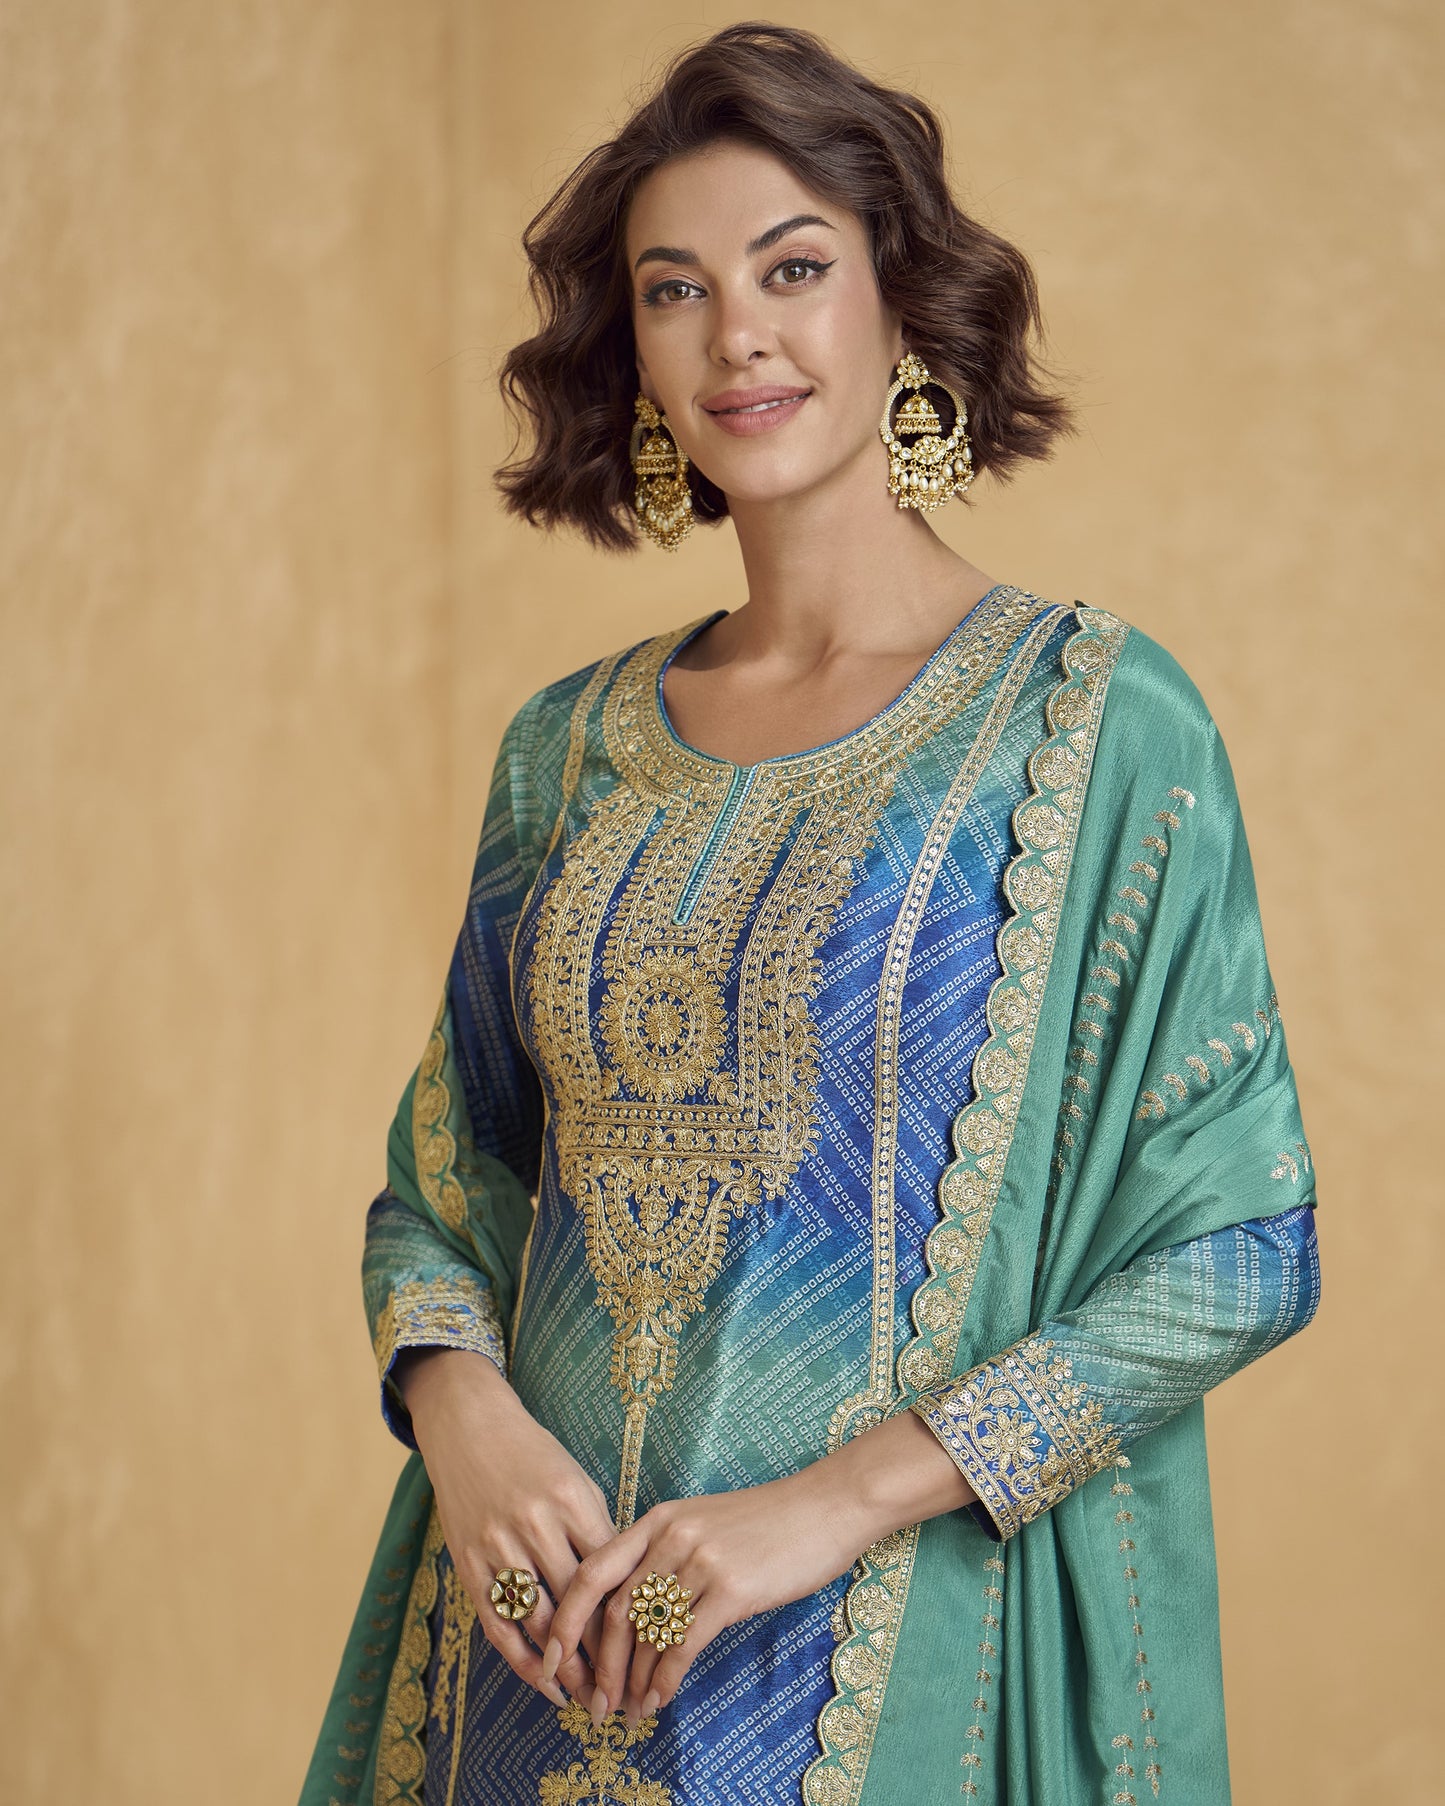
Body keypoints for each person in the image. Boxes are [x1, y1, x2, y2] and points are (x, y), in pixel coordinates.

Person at [299, 23, 1321, 1806]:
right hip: (536, 1657)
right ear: (634, 354)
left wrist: (820, 1509)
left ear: (900, 303)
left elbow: (1240, 1249)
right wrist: (457, 1418)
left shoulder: (1092, 726)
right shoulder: (567, 752)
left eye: (792, 270)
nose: (737, 337)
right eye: (673, 290)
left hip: (888, 1653)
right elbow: (444, 1189)